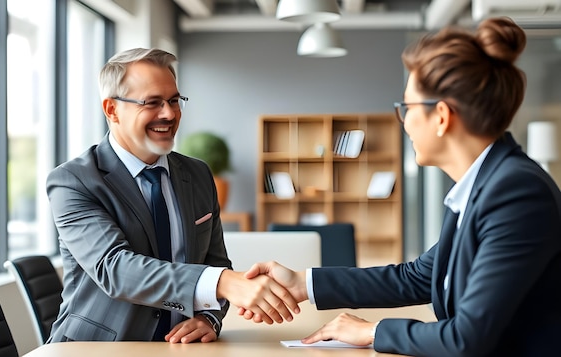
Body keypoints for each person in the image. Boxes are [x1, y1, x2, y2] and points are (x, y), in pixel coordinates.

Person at [240, 17, 561, 356]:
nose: (404, 121)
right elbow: (418, 277)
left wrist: (370, 331)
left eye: (407, 108)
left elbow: (466, 338)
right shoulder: (487, 186)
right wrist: (303, 283)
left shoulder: (516, 194)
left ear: (441, 116)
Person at [45, 48, 298, 344]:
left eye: (174, 100)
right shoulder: (74, 181)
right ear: (112, 109)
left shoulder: (199, 174)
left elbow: (216, 262)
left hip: (180, 349)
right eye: (152, 102)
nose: (169, 113)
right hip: (97, 348)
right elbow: (115, 269)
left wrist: (209, 318)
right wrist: (223, 283)